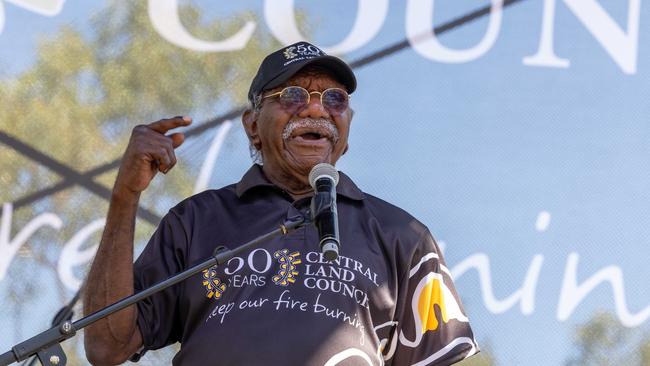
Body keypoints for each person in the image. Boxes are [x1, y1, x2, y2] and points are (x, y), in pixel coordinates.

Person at [84, 41, 478, 366]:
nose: (316, 109)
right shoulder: (196, 220)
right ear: (252, 125)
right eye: (293, 94)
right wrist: (125, 197)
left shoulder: (402, 235)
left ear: (348, 128)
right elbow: (107, 346)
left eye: (335, 99)